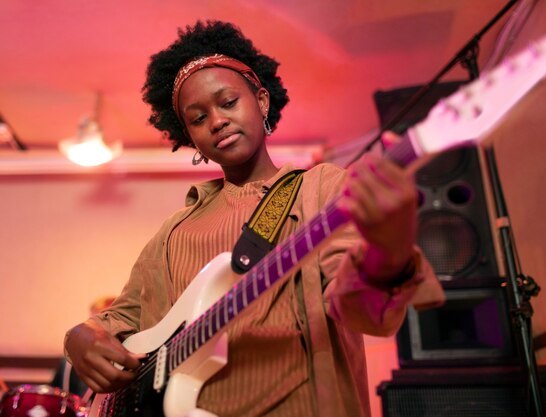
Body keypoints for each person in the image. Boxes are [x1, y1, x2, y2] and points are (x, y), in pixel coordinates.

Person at [64, 20, 445, 417]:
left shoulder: (321, 190)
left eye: (228, 102)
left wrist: (388, 251)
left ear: (261, 101)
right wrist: (80, 338)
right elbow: (120, 319)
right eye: (198, 118)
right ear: (190, 137)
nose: (217, 121)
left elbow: (362, 310)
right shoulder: (172, 233)